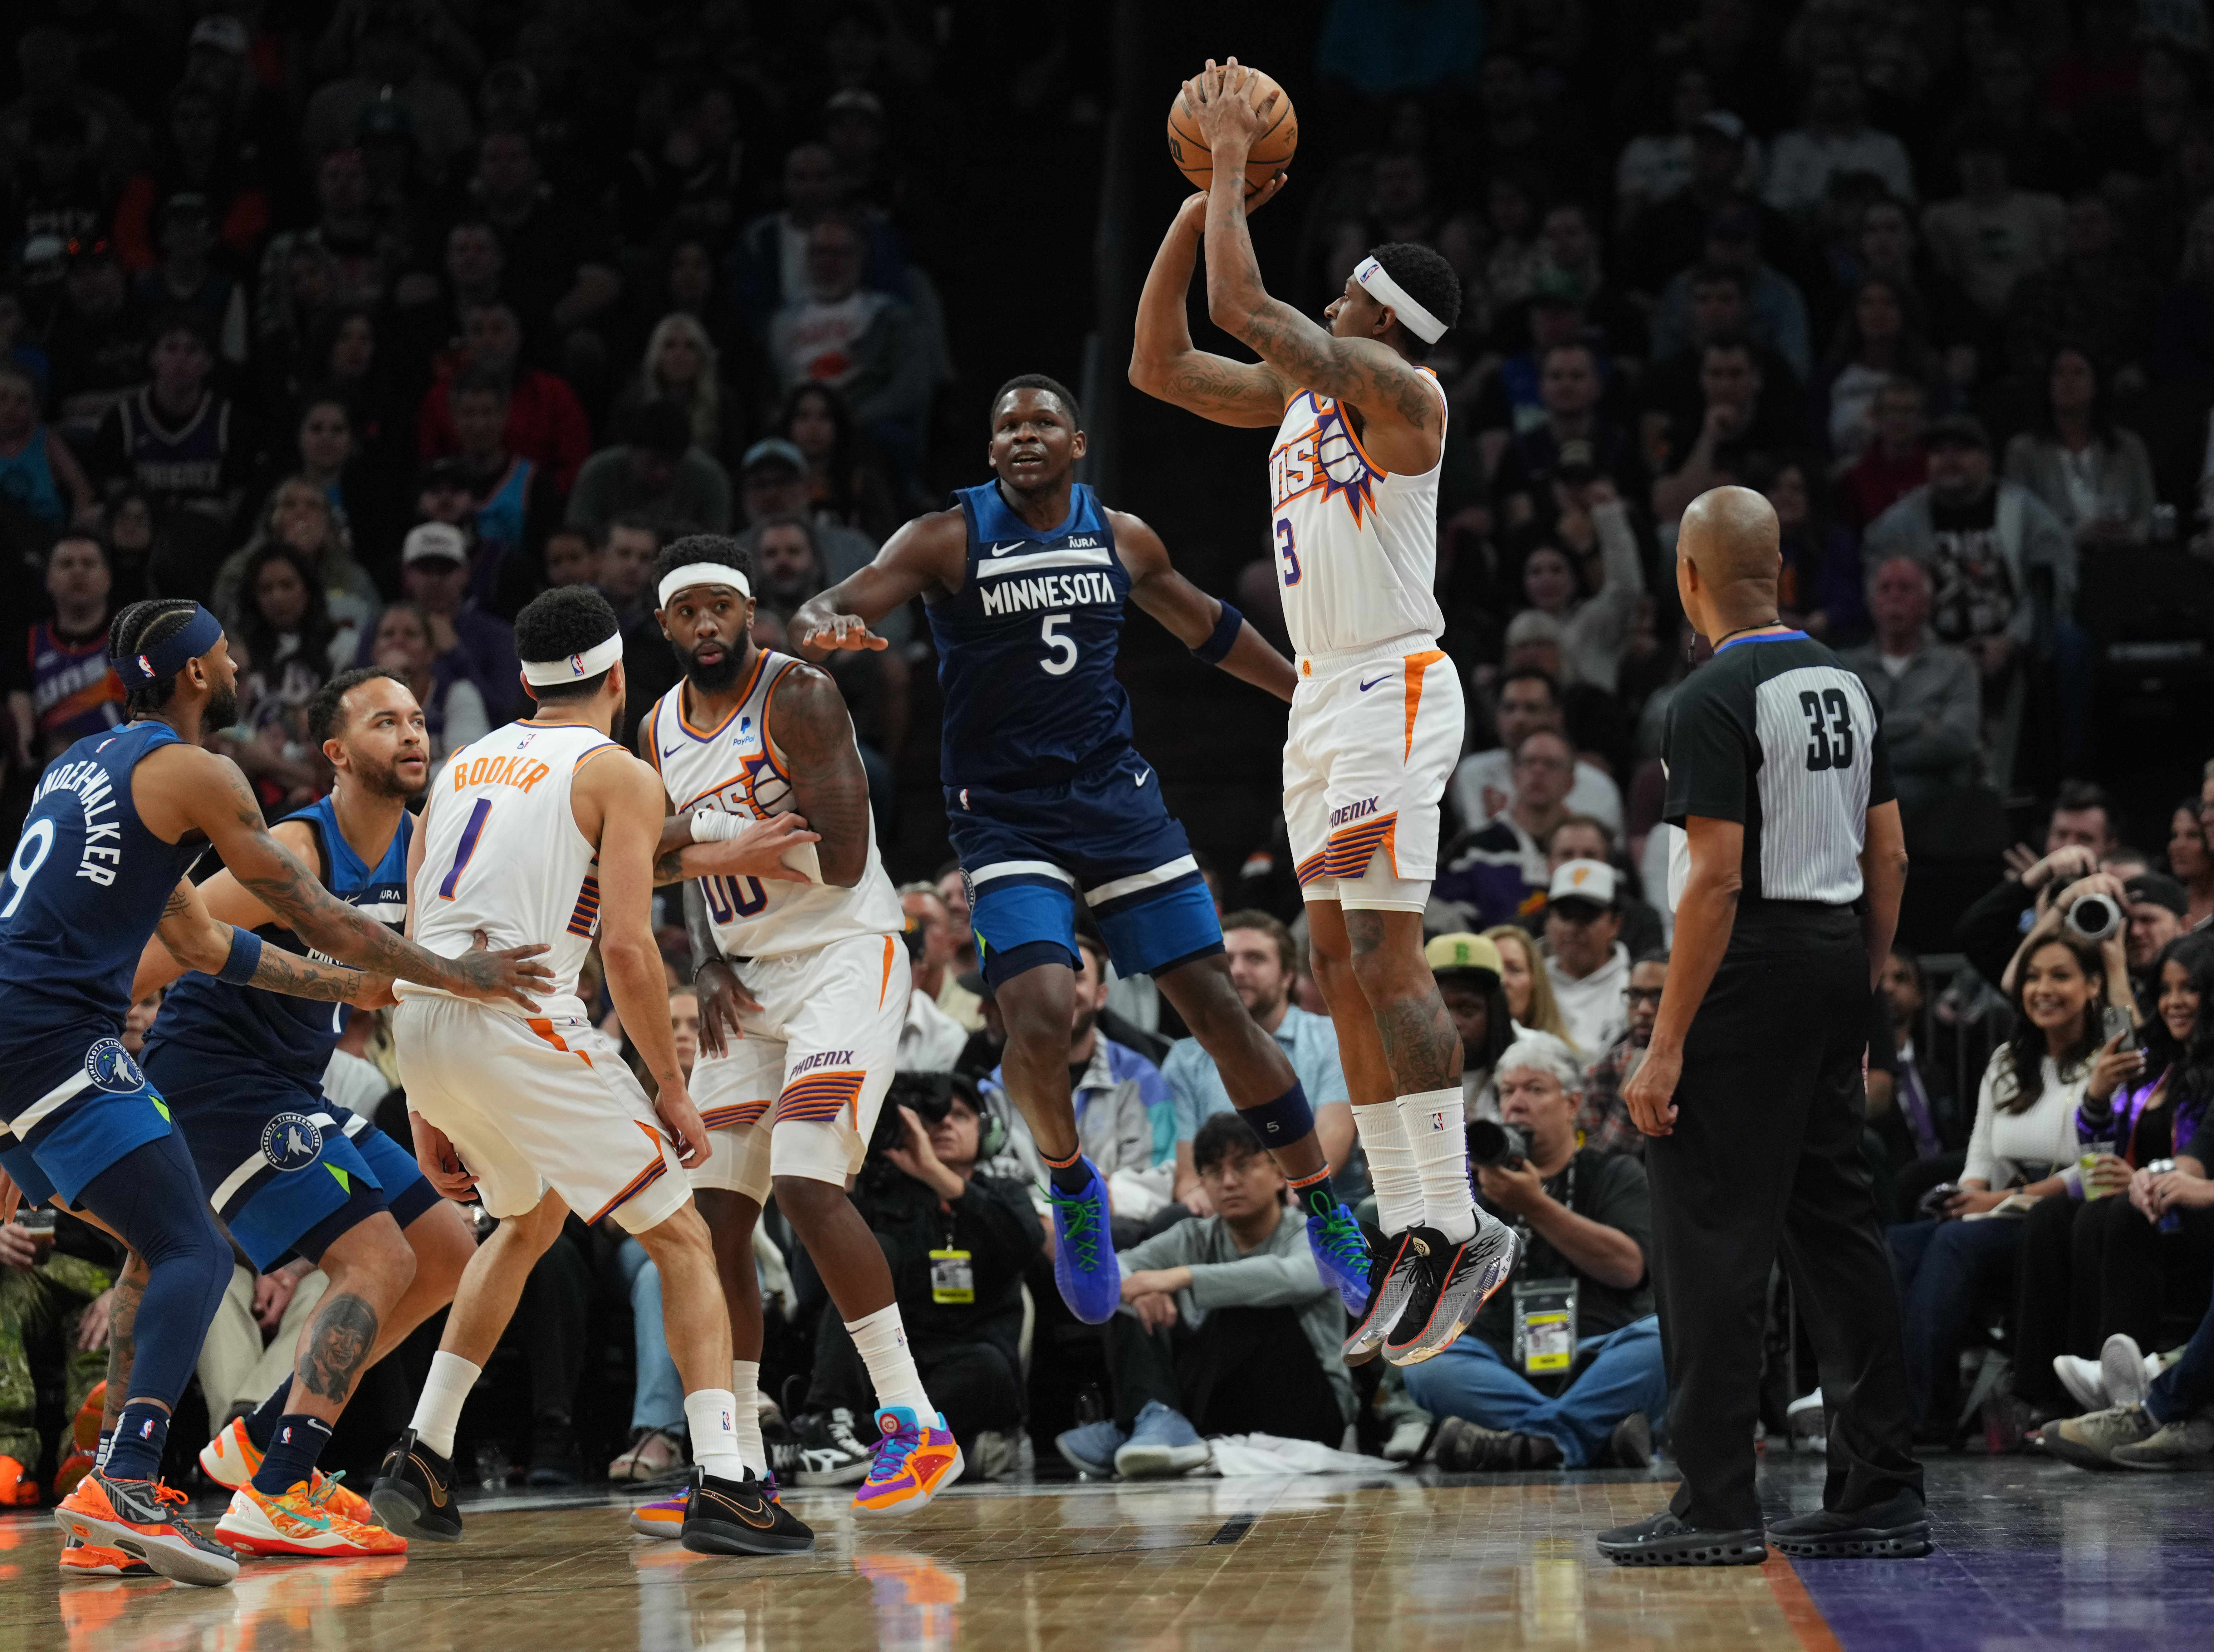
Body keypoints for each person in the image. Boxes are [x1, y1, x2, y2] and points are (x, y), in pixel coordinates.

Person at [791, 372, 1371, 1330]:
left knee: (1220, 1012)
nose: (1024, 435)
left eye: (1042, 423)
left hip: (1116, 803)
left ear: (1077, 444)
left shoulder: (1123, 536)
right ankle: (1072, 1184)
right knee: (1041, 1014)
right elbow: (835, 600)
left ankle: (1322, 1201)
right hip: (1006, 813)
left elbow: (1208, 630)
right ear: (990, 451)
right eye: (1007, 424)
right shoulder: (947, 537)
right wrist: (826, 629)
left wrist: (1306, 693)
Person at [4, 599, 549, 1587]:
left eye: (417, 719)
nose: (239, 656)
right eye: (226, 646)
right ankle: (188, 1481)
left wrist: (364, 990)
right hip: (165, 1062)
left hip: (163, 1055)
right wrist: (455, 974)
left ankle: (232, 1453)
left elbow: (209, 944)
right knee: (204, 1252)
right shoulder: (223, 788)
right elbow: (260, 938)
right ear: (200, 671)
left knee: (436, 1249)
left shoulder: (92, 761)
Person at [1139, 61, 1524, 1368]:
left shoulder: (1402, 398)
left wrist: (1235, 157)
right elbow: (1161, 363)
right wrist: (1199, 200)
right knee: (1333, 967)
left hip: (1392, 687)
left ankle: (1457, 1216)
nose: (1333, 288)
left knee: (1389, 959)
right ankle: (1417, 1221)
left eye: (1351, 284)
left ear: (1381, 310)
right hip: (1322, 699)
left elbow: (1246, 306)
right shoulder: (1306, 395)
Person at [364, 586, 820, 1559]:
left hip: (429, 1026)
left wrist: (421, 1097)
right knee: (686, 1241)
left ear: (524, 681)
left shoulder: (457, 768)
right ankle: (730, 1480)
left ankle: (426, 1452)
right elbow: (625, 947)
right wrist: (668, 1081)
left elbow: (415, 929)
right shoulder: (618, 770)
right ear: (620, 675)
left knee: (526, 1221)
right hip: (524, 1022)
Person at [1598, 486, 1925, 1566]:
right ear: (1774, 569)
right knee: (1838, 1232)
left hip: (1751, 968)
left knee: (1709, 1240)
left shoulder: (1707, 694)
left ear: (1689, 579)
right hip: (1837, 952)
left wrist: (1667, 1039)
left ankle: (1715, 1504)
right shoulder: (1847, 679)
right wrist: (1860, 984)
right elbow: (1891, 858)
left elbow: (1715, 883)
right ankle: (1881, 1487)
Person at [633, 535, 967, 1522]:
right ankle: (735, 1461)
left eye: (721, 610)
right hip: (746, 981)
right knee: (710, 1218)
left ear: (751, 616)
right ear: (665, 626)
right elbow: (646, 863)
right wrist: (705, 929)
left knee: (806, 1175)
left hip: (842, 957)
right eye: (687, 613)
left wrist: (688, 848)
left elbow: (841, 854)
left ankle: (914, 1421)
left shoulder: (799, 699)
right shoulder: (654, 728)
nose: (706, 627)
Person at [127, 669, 480, 1556]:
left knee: (445, 1248)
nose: (411, 735)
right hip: (214, 1082)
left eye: (416, 719)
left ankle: (261, 1434)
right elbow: (151, 957)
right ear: (334, 751)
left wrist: (432, 1125)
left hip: (293, 1086)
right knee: (375, 1255)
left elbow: (414, 1002)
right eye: (383, 721)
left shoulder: (416, 846)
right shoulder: (292, 848)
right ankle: (279, 1489)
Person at [1407, 1033, 1664, 1471]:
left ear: (1572, 1104)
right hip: (1499, 1362)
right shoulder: (1472, 1187)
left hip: (1594, 1357)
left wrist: (1535, 1206)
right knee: (1424, 1359)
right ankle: (1582, 1438)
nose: (1516, 1104)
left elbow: (1627, 1268)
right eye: (1507, 1091)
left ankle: (1522, 1444)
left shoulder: (1613, 1173)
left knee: (1664, 1340)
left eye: (1535, 1089)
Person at [1888, 933, 2112, 1432]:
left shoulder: (2107, 1061)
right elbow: (1982, 1151)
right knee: (1897, 1246)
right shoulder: (2007, 1060)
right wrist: (1967, 1194)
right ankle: (1882, 1396)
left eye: (2060, 976)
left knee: (1952, 1242)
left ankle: (1902, 1414)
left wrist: (1996, 1200)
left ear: (2093, 984)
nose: (2042, 989)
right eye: (2032, 977)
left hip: (2059, 1216)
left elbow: (2094, 1168)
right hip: (1997, 1211)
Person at [1053, 1113, 1354, 1477]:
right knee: (1125, 1302)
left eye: (1243, 1167)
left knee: (1244, 1305)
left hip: (1309, 1408)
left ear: (1279, 1174)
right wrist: (1137, 1293)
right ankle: (1155, 1418)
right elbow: (1111, 1271)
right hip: (1223, 1405)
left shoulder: (1310, 1230)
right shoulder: (1194, 1235)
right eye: (1214, 1171)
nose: (1228, 1182)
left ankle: (1128, 1428)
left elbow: (1296, 1277)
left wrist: (1180, 1278)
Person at [2014, 934, 2214, 1419]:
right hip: (2149, 1198)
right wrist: (2097, 1099)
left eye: (2188, 990)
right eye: (2165, 990)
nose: (2173, 1002)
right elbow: (2103, 1146)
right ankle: (2045, 1394)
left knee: (2114, 1214)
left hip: (2193, 1217)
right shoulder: (2158, 1064)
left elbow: (2199, 1153)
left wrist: (2154, 1178)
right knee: (2052, 1217)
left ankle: (2116, 1384)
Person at [810, 1078, 1043, 1475]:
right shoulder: (886, 1195)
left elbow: (1026, 1243)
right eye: (933, 1118)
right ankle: (830, 1423)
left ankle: (875, 1444)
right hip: (899, 1360)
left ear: (985, 1130)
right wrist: (847, 1178)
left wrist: (936, 1173)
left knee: (987, 1369)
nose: (945, 1125)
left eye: (960, 1116)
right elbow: (820, 1274)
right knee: (863, 1256)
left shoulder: (1003, 1191)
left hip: (972, 1359)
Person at [1163, 911, 1357, 1211]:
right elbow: (1188, 1171)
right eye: (1226, 961)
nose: (1238, 971)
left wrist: (1283, 1201)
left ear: (1288, 976)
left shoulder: (1332, 1038)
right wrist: (1197, 1197)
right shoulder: (1185, 1057)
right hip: (1225, 1213)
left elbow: (1333, 1139)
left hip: (1314, 1203)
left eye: (1255, 959)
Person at [1840, 557, 1985, 812]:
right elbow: (1840, 743)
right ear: (1872, 602)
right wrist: (1919, 722)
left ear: (1927, 604)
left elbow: (1956, 741)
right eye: (1885, 589)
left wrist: (1872, 737)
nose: (1895, 596)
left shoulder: (1957, 667)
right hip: (1856, 805)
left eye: (1906, 588)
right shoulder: (1843, 669)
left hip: (1937, 807)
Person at [2000, 347, 2156, 549]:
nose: (2068, 381)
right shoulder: (2023, 452)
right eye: (2059, 374)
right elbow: (2018, 524)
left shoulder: (2128, 447)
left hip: (2125, 561)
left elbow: (2149, 514)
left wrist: (2129, 534)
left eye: (2078, 373)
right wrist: (2077, 536)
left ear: (2096, 385)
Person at [1448, 666, 1624, 835]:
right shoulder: (1472, 773)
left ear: (1557, 716)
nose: (1519, 720)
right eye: (1510, 708)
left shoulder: (1599, 787)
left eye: (1531, 708)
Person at [1433, 729, 1578, 931]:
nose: (1538, 771)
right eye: (1530, 762)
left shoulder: (1591, 848)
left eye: (1551, 764)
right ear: (1515, 774)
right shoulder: (1473, 849)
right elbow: (1445, 923)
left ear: (1571, 782)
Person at [7, 536, 124, 767]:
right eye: (66, 564)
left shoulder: (139, 637)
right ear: (48, 579)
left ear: (109, 578)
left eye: (89, 564)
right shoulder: (26, 644)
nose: (78, 572)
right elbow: (24, 738)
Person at [566, 398, 732, 537]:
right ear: (632, 452)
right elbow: (579, 540)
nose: (662, 473)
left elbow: (717, 542)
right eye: (652, 463)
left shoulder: (709, 479)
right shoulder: (600, 473)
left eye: (672, 464)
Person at [1581, 953, 1668, 1159]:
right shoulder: (1601, 1071)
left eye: (1659, 997)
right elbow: (1599, 1163)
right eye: (1635, 996)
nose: (1644, 1009)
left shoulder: (1708, 1067)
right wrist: (1627, 1100)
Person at [1542, 860, 1632, 1057]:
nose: (1574, 927)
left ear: (1615, 926)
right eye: (1566, 915)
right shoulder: (1531, 985)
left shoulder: (1632, 990)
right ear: (1548, 921)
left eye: (1587, 916)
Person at [1424, 933, 1516, 1127]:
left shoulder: (1532, 1061)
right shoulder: (1394, 1068)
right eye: (1439, 1009)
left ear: (1495, 1011)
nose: (1452, 1023)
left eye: (1467, 1010)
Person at [1487, 923, 1575, 1051]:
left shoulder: (1565, 1058)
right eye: (1492, 968)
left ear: (1536, 983)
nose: (1503, 980)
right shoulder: (1451, 1056)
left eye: (1514, 970)